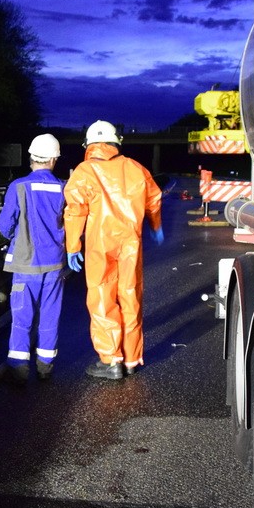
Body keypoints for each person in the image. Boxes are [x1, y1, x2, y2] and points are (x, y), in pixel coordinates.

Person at [63, 120, 163, 380]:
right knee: (131, 297)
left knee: (102, 298)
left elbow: (75, 209)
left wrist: (73, 246)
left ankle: (111, 361)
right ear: (116, 141)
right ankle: (132, 358)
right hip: (130, 242)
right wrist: (156, 224)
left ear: (89, 144)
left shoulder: (84, 171)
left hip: (100, 243)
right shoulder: (135, 168)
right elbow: (154, 198)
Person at [0, 133, 66, 383]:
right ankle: (45, 365)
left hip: (25, 264)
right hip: (55, 263)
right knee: (50, 314)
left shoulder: (19, 186)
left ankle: (18, 368)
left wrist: (18, 236)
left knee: (22, 316)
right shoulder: (63, 187)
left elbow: (5, 225)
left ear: (31, 158)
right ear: (53, 160)